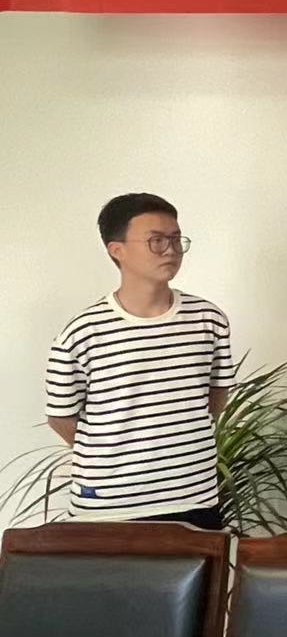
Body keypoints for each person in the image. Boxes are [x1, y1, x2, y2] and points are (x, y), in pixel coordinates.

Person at [44, 193, 237, 528]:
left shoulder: (209, 319)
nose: (171, 250)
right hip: (109, 504)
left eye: (176, 239)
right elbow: (61, 417)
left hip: (194, 496)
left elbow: (215, 397)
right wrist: (116, 451)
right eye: (156, 241)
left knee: (205, 564)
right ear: (116, 250)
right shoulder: (82, 333)